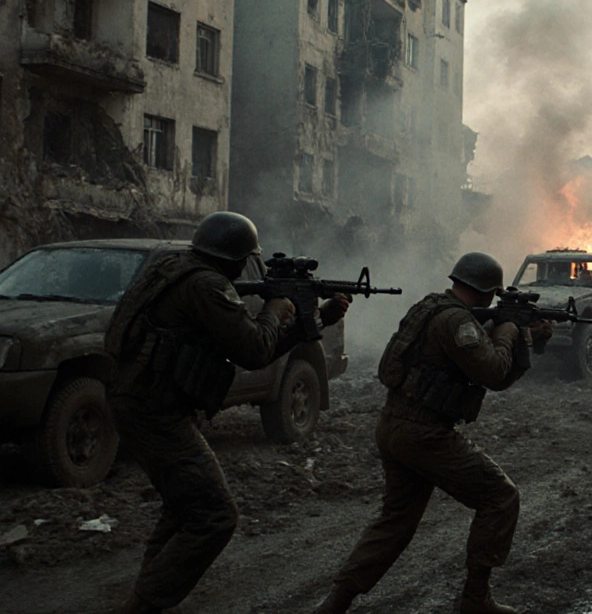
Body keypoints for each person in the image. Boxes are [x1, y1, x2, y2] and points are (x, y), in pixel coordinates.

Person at [106, 211, 350, 614]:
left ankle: (148, 596)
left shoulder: (176, 267)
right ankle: (141, 606)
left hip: (145, 401)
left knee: (185, 506)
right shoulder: (207, 286)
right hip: (155, 411)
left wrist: (319, 317)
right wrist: (277, 307)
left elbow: (255, 351)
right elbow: (254, 349)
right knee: (216, 515)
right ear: (236, 258)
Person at [315, 252, 553, 614]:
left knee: (396, 522)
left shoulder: (432, 308)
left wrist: (526, 339)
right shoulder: (458, 323)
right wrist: (509, 333)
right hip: (423, 433)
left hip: (395, 424)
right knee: (500, 497)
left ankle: (335, 602)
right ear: (486, 292)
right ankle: (475, 600)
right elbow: (492, 371)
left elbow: (492, 372)